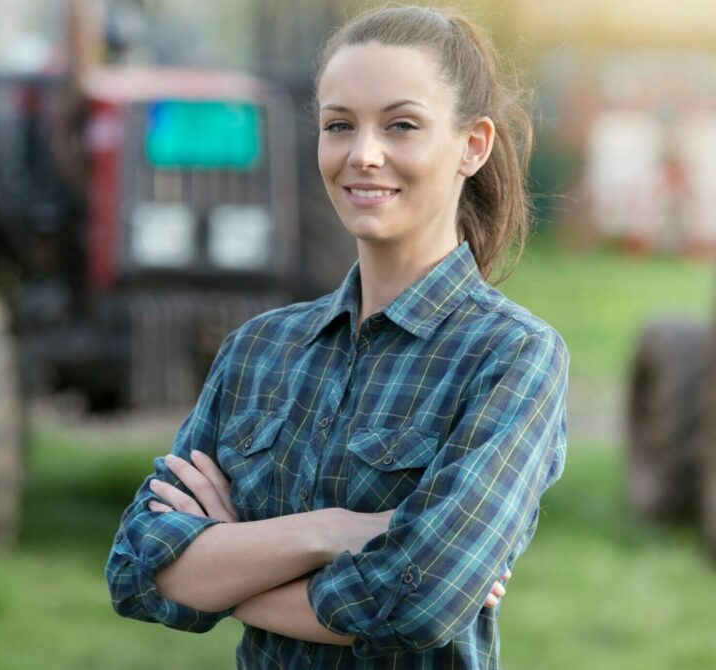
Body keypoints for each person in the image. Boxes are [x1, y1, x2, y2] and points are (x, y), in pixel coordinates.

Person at [106, 5, 568, 667]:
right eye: (339, 125)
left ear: (473, 145)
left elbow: (418, 600)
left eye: (401, 125)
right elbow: (135, 569)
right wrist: (330, 534)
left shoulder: (513, 357)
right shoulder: (258, 350)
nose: (363, 155)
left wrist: (223, 566)